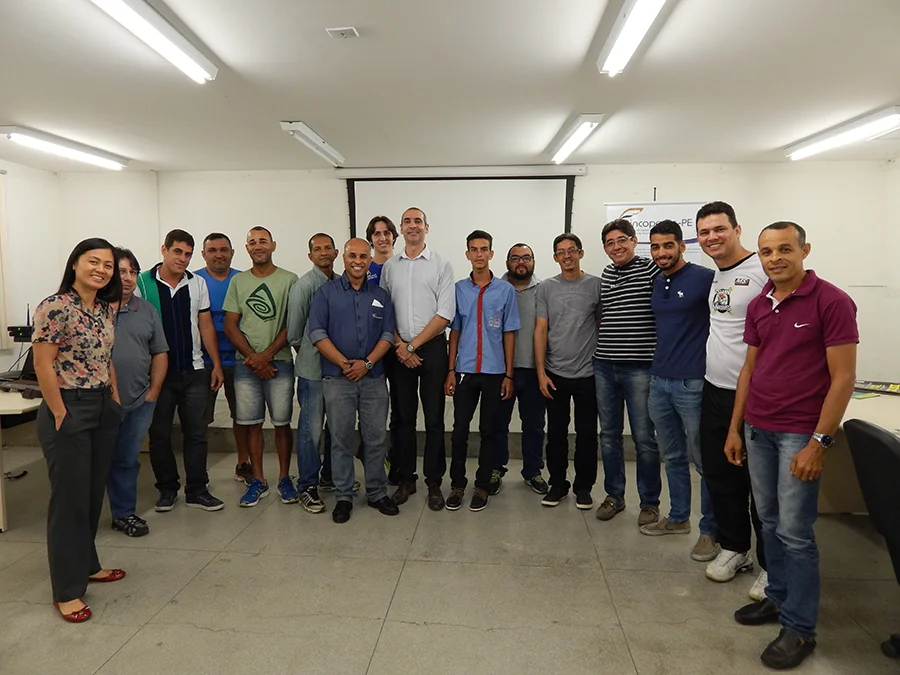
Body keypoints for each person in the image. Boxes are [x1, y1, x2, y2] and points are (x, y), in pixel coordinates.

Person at [730, 222, 857, 670]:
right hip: (758, 429)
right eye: (766, 251)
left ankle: (800, 628)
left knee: (795, 533)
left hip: (799, 433)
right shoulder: (759, 303)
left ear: (805, 250)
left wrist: (819, 442)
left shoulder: (832, 301)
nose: (775, 258)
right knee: (768, 521)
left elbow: (844, 377)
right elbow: (749, 370)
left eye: (785, 249)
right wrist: (735, 428)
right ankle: (778, 597)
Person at [33, 238, 126, 623]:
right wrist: (59, 411)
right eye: (93, 261)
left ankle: (88, 565)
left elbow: (106, 357)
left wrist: (114, 398)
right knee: (69, 500)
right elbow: (43, 364)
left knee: (90, 495)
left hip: (101, 405)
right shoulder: (55, 306)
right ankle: (67, 590)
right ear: (75, 263)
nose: (101, 270)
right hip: (68, 407)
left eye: (108, 265)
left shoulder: (103, 308)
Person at [697, 201, 769, 597]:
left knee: (761, 484)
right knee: (721, 475)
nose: (712, 237)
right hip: (715, 389)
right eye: (705, 232)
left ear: (737, 229)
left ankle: (771, 566)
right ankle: (735, 548)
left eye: (719, 229)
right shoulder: (717, 275)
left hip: (755, 395)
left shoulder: (762, 271)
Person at [308, 238, 400, 523]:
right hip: (337, 379)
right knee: (340, 439)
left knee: (376, 438)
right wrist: (343, 363)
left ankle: (377, 492)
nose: (358, 261)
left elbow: (387, 334)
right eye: (352, 256)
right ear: (343, 258)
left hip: (373, 378)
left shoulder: (381, 295)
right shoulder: (325, 293)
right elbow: (317, 333)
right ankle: (344, 496)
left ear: (370, 260)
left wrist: (367, 363)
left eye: (363, 256)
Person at [642, 221, 717, 560]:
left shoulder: (704, 278)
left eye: (668, 245)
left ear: (682, 246)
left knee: (704, 461)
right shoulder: (657, 280)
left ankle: (710, 530)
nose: (661, 252)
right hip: (659, 380)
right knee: (672, 457)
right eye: (655, 247)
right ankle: (677, 518)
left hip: (693, 382)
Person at [137, 229, 225, 512]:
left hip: (194, 371)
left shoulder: (197, 283)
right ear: (164, 250)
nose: (183, 259)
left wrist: (215, 364)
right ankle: (167, 489)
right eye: (177, 252)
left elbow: (205, 325)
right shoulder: (142, 283)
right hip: (157, 374)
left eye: (188, 254)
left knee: (196, 433)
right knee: (160, 434)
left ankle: (197, 489)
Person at [381, 207, 455, 511]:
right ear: (401, 229)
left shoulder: (441, 264)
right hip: (398, 350)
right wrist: (401, 345)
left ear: (427, 227)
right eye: (407, 222)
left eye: (418, 221)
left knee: (434, 418)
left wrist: (413, 346)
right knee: (403, 418)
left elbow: (445, 313)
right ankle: (406, 479)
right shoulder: (390, 267)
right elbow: (383, 310)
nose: (413, 226)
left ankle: (434, 482)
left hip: (432, 349)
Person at [443, 230, 519, 512]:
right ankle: (457, 484)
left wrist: (509, 374)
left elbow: (509, 333)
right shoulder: (458, 290)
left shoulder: (505, 291)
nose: (479, 254)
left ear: (491, 253)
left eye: (483, 249)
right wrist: (450, 370)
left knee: (489, 430)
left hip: (494, 372)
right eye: (473, 249)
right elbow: (455, 331)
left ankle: (483, 485)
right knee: (459, 430)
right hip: (465, 371)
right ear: (467, 254)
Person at [594, 219, 662, 527]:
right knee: (609, 436)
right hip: (604, 366)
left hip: (639, 367)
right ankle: (614, 496)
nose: (616, 246)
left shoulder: (650, 270)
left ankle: (649, 503)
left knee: (644, 438)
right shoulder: (607, 274)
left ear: (634, 241)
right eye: (610, 243)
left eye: (622, 240)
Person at [224, 227, 298, 507]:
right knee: (252, 424)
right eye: (252, 242)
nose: (258, 246)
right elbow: (231, 325)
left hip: (280, 363)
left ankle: (284, 478)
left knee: (281, 424)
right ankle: (258, 480)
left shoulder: (289, 280)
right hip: (246, 365)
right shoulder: (238, 282)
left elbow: (292, 323)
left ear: (273, 245)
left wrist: (266, 355)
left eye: (263, 241)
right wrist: (255, 359)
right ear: (247, 248)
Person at [535, 233, 602, 509]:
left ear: (580, 253)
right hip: (554, 374)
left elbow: (601, 325)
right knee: (556, 434)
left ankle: (584, 487)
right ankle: (557, 484)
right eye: (561, 252)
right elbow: (541, 330)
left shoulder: (596, 285)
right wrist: (541, 372)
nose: (567, 256)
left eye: (572, 250)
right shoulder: (546, 288)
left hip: (588, 374)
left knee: (587, 434)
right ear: (555, 257)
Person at [108, 248, 169, 537]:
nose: (128, 278)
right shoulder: (92, 309)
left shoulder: (146, 310)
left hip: (139, 400)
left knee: (127, 459)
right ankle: (81, 518)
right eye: (122, 271)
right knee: (92, 462)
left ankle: (123, 514)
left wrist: (153, 392)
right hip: (99, 403)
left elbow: (160, 352)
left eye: (133, 272)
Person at [287, 233, 338, 514]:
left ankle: (329, 476)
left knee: (335, 426)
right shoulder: (304, 286)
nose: (323, 252)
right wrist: (308, 352)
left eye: (328, 247)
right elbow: (295, 332)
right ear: (310, 256)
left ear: (336, 252)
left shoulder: (341, 282)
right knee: (311, 429)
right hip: (313, 371)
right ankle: (307, 485)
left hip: (337, 371)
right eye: (317, 249)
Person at [195, 233, 250, 484]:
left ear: (232, 252)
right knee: (199, 420)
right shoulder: (194, 281)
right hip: (203, 363)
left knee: (243, 417)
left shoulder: (243, 280)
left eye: (224, 250)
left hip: (239, 361)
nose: (219, 255)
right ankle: (199, 473)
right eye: (213, 250)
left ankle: (244, 464)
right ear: (203, 254)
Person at [494, 243, 549, 495]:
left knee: (534, 425)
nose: (521, 262)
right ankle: (496, 469)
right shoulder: (496, 288)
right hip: (500, 370)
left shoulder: (544, 289)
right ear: (507, 262)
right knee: (497, 424)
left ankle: (533, 471)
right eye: (515, 258)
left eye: (526, 257)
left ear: (533, 261)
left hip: (534, 369)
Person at [364, 215, 401, 483]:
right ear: (371, 239)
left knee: (399, 408)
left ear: (394, 237)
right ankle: (368, 457)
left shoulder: (402, 266)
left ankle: (395, 460)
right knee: (371, 409)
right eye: (377, 233)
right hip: (369, 348)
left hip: (398, 346)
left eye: (387, 232)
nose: (382, 237)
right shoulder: (362, 268)